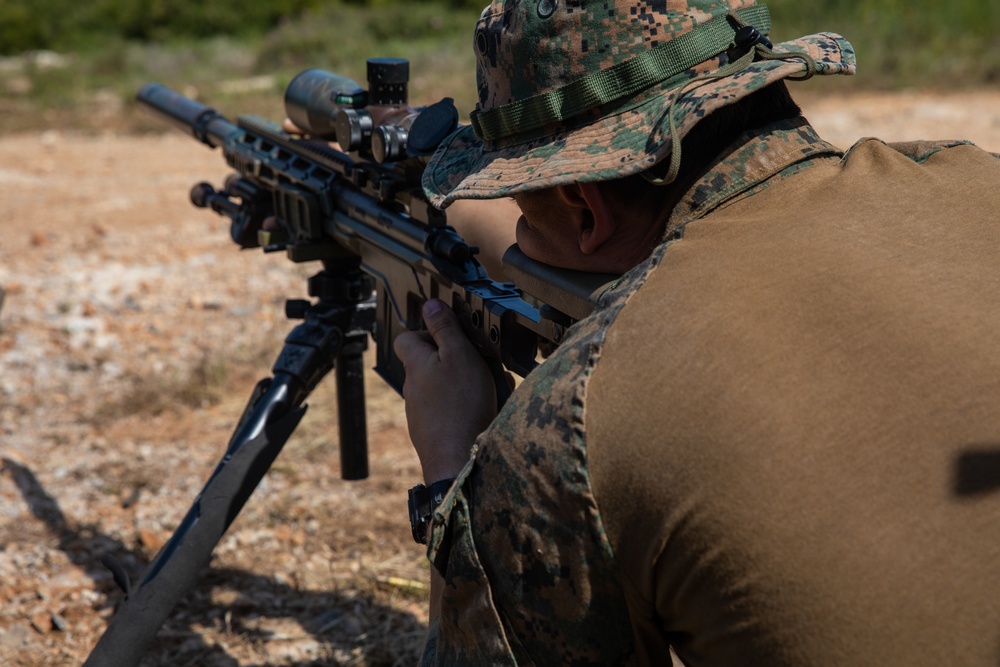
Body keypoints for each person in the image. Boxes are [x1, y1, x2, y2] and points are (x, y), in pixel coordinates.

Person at [393, 1, 1000, 664]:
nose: (519, 236)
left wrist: (453, 477)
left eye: (522, 208)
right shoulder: (974, 174)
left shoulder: (568, 417)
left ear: (584, 211)